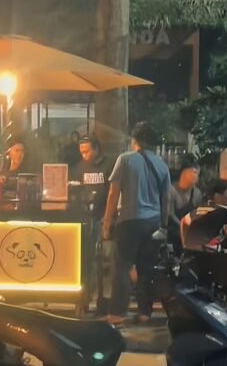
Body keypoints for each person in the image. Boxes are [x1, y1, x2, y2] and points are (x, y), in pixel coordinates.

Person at [103, 121, 171, 324]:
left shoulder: (125, 160)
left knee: (122, 268)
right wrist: (164, 225)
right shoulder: (161, 164)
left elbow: (113, 194)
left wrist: (107, 223)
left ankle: (117, 314)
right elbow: (166, 199)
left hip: (129, 221)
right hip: (153, 222)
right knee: (146, 269)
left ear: (135, 140)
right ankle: (144, 313)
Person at [74, 135, 114, 314]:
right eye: (81, 152)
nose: (84, 155)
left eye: (87, 151)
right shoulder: (80, 167)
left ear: (97, 148)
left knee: (104, 263)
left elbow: (114, 192)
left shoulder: (109, 165)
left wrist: (108, 218)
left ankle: (103, 301)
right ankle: (84, 299)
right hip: (85, 220)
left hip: (103, 218)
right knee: (87, 262)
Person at [165, 162, 202, 254]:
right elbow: (170, 214)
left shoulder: (197, 193)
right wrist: (183, 226)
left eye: (197, 174)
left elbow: (198, 213)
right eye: (193, 173)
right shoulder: (171, 191)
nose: (195, 177)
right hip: (175, 230)